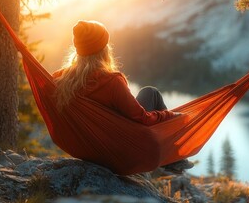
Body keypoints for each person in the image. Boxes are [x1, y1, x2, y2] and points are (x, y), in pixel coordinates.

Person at [52, 20, 193, 173]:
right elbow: (142, 118)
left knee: (148, 93)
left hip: (90, 148)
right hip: (120, 150)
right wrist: (170, 116)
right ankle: (172, 158)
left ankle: (173, 160)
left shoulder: (60, 79)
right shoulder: (111, 81)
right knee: (151, 93)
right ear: (103, 49)